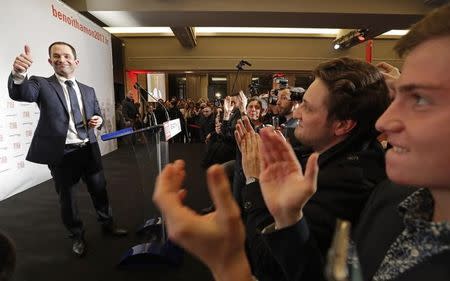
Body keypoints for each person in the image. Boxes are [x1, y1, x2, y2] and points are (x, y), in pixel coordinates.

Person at [153, 3, 450, 281]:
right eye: (399, 95)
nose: (385, 123)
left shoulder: (357, 180)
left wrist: (255, 187)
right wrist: (285, 220)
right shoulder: (395, 199)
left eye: (420, 99)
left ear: (343, 125)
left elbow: (272, 268)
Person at [7, 42, 127, 258]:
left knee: (100, 191)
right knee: (68, 199)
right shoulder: (41, 84)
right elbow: (22, 93)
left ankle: (107, 224)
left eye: (66, 56)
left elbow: (98, 114)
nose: (61, 59)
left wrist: (98, 120)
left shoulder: (88, 90)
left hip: (89, 149)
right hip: (62, 154)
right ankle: (77, 236)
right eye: (56, 56)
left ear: (76, 61)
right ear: (50, 61)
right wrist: (18, 73)